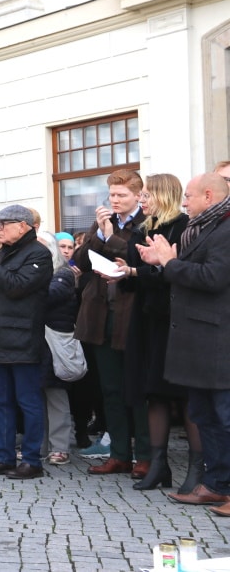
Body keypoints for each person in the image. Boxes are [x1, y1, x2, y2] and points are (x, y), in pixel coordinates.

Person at [135, 173, 230, 511]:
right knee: (205, 416)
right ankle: (216, 485)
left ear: (209, 195)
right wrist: (160, 266)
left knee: (223, 417)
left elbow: (212, 278)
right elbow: (185, 274)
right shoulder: (204, 228)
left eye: (189, 196)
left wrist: (170, 263)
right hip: (198, 340)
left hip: (218, 340)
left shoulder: (225, 229)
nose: (184, 202)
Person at [112, 174, 200, 491]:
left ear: (164, 196)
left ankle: (196, 468)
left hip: (175, 320)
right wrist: (123, 273)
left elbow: (173, 274)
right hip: (147, 319)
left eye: (148, 194)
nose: (143, 199)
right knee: (154, 393)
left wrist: (139, 271)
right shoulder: (143, 229)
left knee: (186, 396)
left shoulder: (183, 228)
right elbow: (141, 280)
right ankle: (158, 464)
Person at [74, 168, 150, 478]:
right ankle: (119, 452)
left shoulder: (146, 223)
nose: (115, 200)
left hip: (132, 315)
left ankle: (145, 455)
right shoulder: (102, 222)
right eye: (112, 195)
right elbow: (79, 262)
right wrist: (99, 233)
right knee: (110, 389)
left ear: (137, 196)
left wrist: (109, 235)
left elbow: (139, 260)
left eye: (121, 195)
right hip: (100, 314)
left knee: (138, 389)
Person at [0, 206, 52, 479]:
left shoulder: (39, 253)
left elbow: (16, 286)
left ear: (23, 226)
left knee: (28, 402)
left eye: (4, 224)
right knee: (1, 402)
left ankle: (31, 460)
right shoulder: (2, 253)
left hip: (23, 339)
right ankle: (3, 457)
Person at [37, 231, 78, 466]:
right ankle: (40, 445)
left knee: (56, 395)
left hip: (55, 343)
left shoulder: (63, 273)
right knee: (36, 395)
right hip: (38, 341)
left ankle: (60, 447)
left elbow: (49, 296)